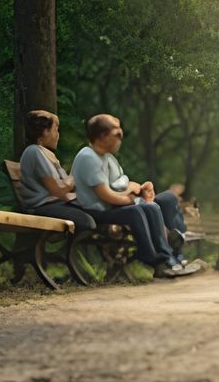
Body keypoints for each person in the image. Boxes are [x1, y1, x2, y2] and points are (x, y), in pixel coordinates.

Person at [70, 116, 196, 276]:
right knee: (141, 210)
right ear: (102, 136)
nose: (121, 137)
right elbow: (106, 195)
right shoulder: (88, 157)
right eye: (117, 134)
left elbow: (122, 184)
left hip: (114, 206)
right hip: (98, 211)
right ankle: (159, 258)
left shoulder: (109, 158)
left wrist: (140, 189)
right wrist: (132, 200)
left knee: (161, 202)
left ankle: (173, 253)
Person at [17, 111, 94, 231]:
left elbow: (68, 187)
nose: (58, 135)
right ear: (45, 131)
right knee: (87, 221)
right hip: (42, 207)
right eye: (56, 129)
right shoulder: (34, 152)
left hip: (56, 203)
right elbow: (58, 190)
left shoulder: (47, 155)